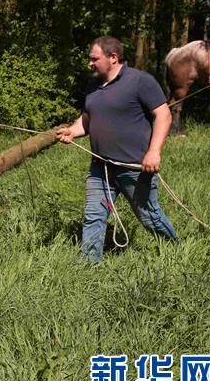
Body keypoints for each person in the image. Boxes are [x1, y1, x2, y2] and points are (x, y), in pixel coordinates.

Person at [56, 36, 177, 263]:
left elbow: (163, 115)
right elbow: (87, 119)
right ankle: (88, 266)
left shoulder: (140, 81)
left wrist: (154, 152)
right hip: (100, 168)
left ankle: (176, 250)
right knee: (94, 216)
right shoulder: (93, 85)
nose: (90, 63)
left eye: (94, 59)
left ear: (113, 57)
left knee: (149, 217)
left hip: (134, 168)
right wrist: (73, 131)